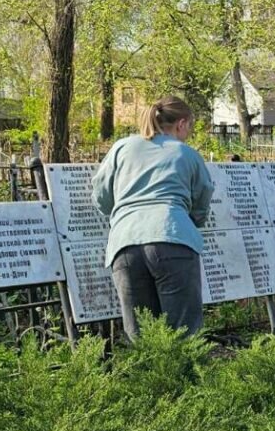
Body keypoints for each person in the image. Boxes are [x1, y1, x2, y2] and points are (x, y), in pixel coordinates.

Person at [92, 96, 214, 340]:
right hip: (173, 237)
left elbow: (101, 197)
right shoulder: (186, 154)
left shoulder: (122, 148)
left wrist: (126, 214)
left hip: (124, 243)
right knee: (183, 333)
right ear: (181, 124)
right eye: (189, 127)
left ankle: (145, 378)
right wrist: (188, 222)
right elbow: (202, 201)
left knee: (139, 334)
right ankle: (184, 377)